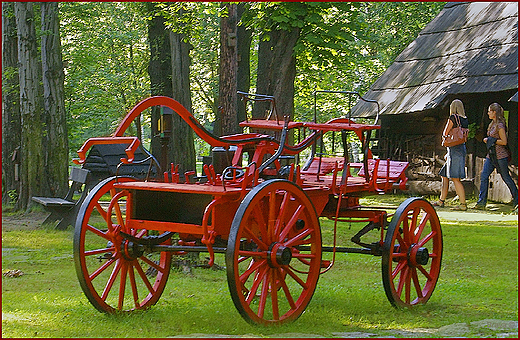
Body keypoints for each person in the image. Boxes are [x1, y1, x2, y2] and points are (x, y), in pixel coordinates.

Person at [473, 102, 518, 210]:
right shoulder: (492, 124)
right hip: (491, 155)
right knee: (484, 176)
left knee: (506, 177)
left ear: (494, 112)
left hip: (500, 156)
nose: (488, 113)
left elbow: (504, 141)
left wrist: (490, 140)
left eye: (489, 111)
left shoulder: (500, 125)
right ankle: (481, 202)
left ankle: (517, 200)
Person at [432, 99, 468, 211]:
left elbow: (445, 132)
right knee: (444, 175)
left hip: (454, 150)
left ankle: (463, 204)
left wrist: (445, 143)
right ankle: (441, 200)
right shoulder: (465, 119)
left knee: (455, 178)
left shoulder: (453, 118)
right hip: (460, 148)